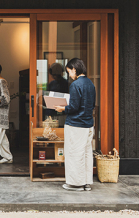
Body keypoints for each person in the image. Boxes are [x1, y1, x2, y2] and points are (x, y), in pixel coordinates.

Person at [54, 58, 95, 191]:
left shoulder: (75, 85)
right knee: (86, 153)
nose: (69, 75)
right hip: (88, 124)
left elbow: (73, 107)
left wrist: (62, 109)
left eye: (69, 72)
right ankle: (86, 183)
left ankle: (76, 184)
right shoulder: (90, 83)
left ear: (74, 69)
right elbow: (91, 105)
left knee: (74, 153)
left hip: (76, 125)